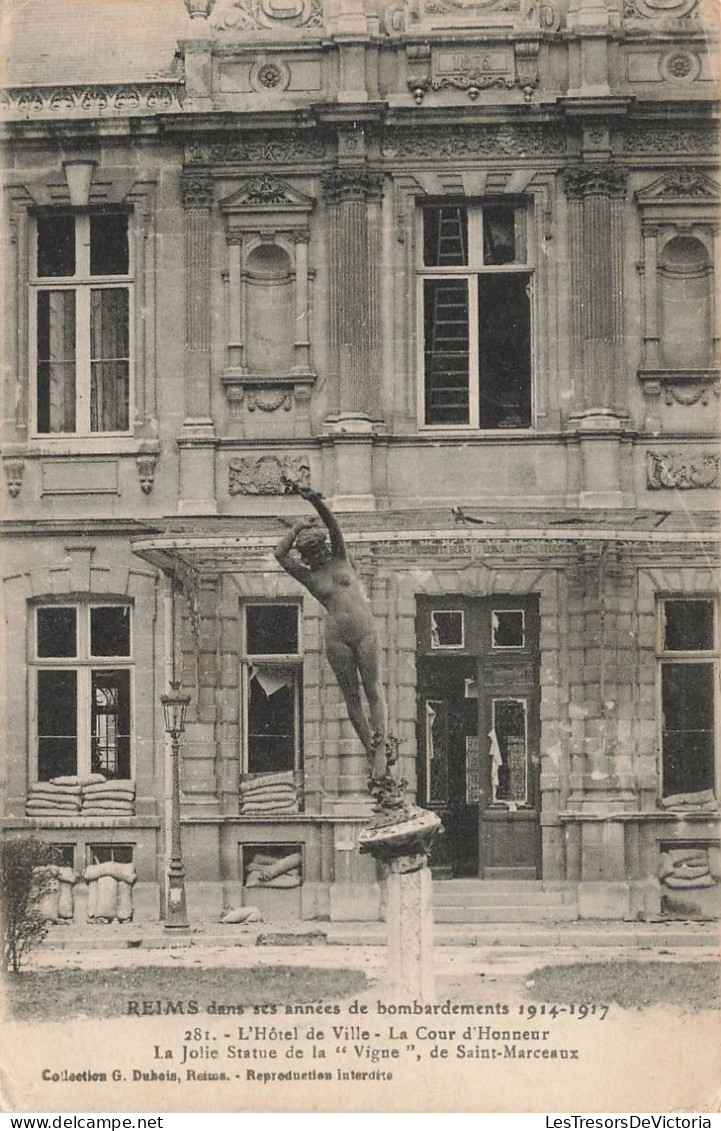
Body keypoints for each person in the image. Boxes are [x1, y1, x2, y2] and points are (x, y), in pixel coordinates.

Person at [274, 484, 388, 778]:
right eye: (314, 551)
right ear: (307, 557)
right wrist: (297, 526)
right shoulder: (309, 576)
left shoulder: (340, 558)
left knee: (373, 689)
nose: (321, 553)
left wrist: (316, 502)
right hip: (337, 638)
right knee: (352, 696)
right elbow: (279, 554)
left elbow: (334, 525)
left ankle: (382, 747)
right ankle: (369, 748)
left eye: (321, 547)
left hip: (364, 631)